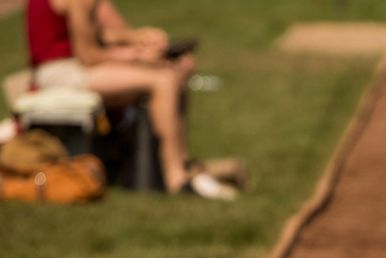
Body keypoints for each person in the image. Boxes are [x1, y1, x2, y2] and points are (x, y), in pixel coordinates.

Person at [25, 0, 234, 198]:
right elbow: (87, 54)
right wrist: (136, 56)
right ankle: (176, 178)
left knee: (172, 70)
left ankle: (183, 163)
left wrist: (135, 38)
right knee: (163, 80)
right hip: (60, 71)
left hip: (70, 66)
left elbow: (96, 35)